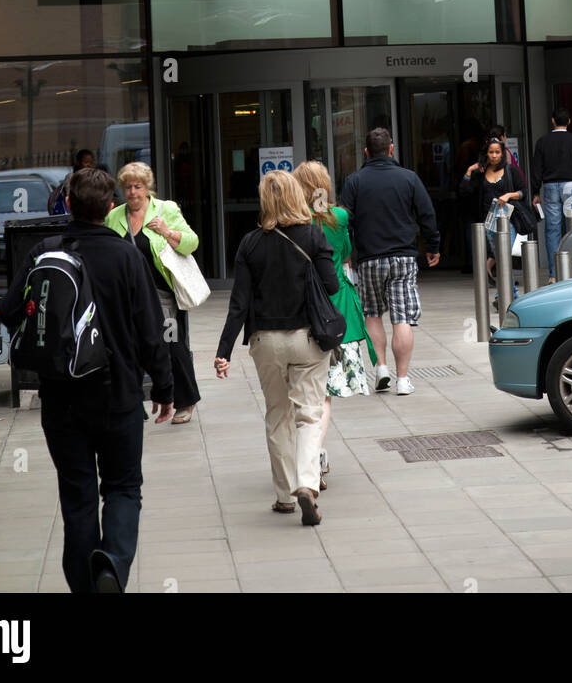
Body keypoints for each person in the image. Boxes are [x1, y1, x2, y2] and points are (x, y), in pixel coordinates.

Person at [0, 168, 173, 593]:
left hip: (61, 397)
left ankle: (83, 586)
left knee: (77, 498)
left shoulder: (45, 250)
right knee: (123, 487)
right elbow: (152, 330)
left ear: (68, 206)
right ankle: (111, 566)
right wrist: (166, 388)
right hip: (119, 393)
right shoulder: (126, 255)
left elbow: (7, 311)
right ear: (110, 207)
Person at [214, 170, 338, 526]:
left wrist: (223, 351)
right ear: (297, 197)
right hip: (309, 338)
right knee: (309, 415)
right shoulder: (313, 236)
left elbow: (238, 303)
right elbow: (331, 286)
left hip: (266, 341)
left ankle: (285, 497)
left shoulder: (250, 243)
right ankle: (307, 485)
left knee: (277, 415)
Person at [293, 160, 377, 489]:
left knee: (304, 393)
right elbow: (344, 254)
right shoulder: (338, 218)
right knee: (326, 393)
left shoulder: (295, 221)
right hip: (337, 308)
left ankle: (308, 454)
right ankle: (316, 452)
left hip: (302, 309)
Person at [339, 127, 440, 396]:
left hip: (370, 259)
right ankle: (403, 380)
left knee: (372, 314)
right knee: (402, 317)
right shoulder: (409, 178)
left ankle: (381, 368)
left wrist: (346, 254)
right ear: (391, 149)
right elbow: (427, 214)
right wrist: (433, 246)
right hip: (403, 258)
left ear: (366, 152)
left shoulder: (354, 181)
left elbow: (343, 220)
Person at [107, 162, 201, 424]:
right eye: (127, 188)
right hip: (129, 296)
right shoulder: (115, 216)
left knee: (172, 345)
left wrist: (167, 232)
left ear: (148, 188)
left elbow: (191, 242)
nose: (132, 192)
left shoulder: (165, 209)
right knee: (131, 349)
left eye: (137, 187)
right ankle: (133, 401)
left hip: (162, 294)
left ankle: (185, 401)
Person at [459, 137, 524, 308]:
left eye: (497, 152)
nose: (494, 156)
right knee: (501, 259)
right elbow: (465, 192)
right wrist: (469, 171)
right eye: (491, 152)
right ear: (486, 154)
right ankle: (512, 294)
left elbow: (523, 191)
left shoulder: (510, 171)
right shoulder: (481, 172)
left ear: (502, 153)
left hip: (508, 221)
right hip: (489, 223)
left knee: (504, 257)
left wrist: (509, 195)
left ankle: (501, 295)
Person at [530, 108, 572, 283]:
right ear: (569, 121)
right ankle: (571, 270)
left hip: (549, 187)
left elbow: (536, 170)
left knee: (552, 230)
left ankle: (553, 274)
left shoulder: (542, 142)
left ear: (553, 121)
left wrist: (535, 192)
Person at [48, 149, 96, 215]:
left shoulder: (93, 180)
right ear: (78, 162)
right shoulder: (71, 177)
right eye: (86, 162)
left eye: (91, 163)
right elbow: (70, 198)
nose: (89, 165)